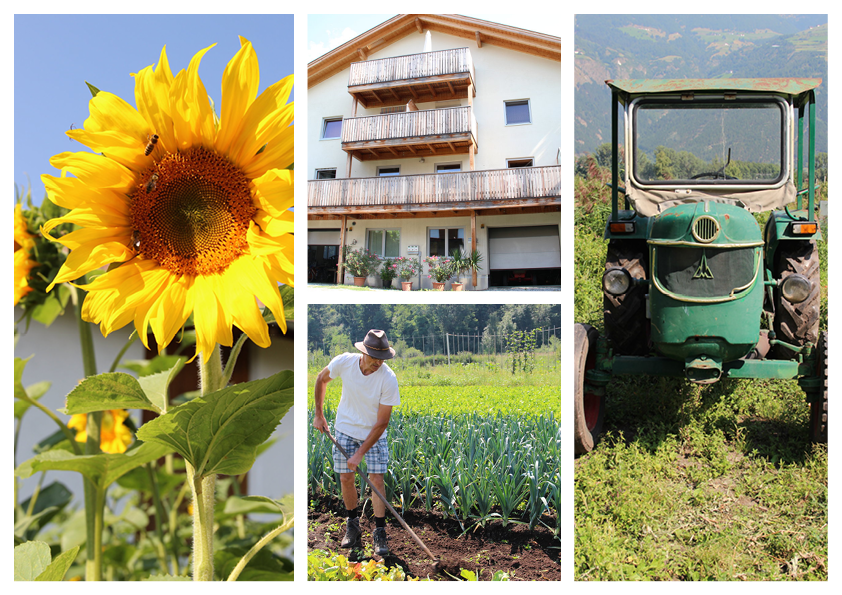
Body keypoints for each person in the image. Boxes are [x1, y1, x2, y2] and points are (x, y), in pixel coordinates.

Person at [313, 329, 401, 556]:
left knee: (376, 480)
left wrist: (360, 453)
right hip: (345, 429)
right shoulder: (344, 363)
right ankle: (353, 525)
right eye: (374, 358)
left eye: (382, 359)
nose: (378, 363)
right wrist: (319, 414)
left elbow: (382, 423)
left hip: (373, 434)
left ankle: (379, 532)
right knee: (345, 477)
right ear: (363, 352)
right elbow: (321, 379)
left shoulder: (388, 379)